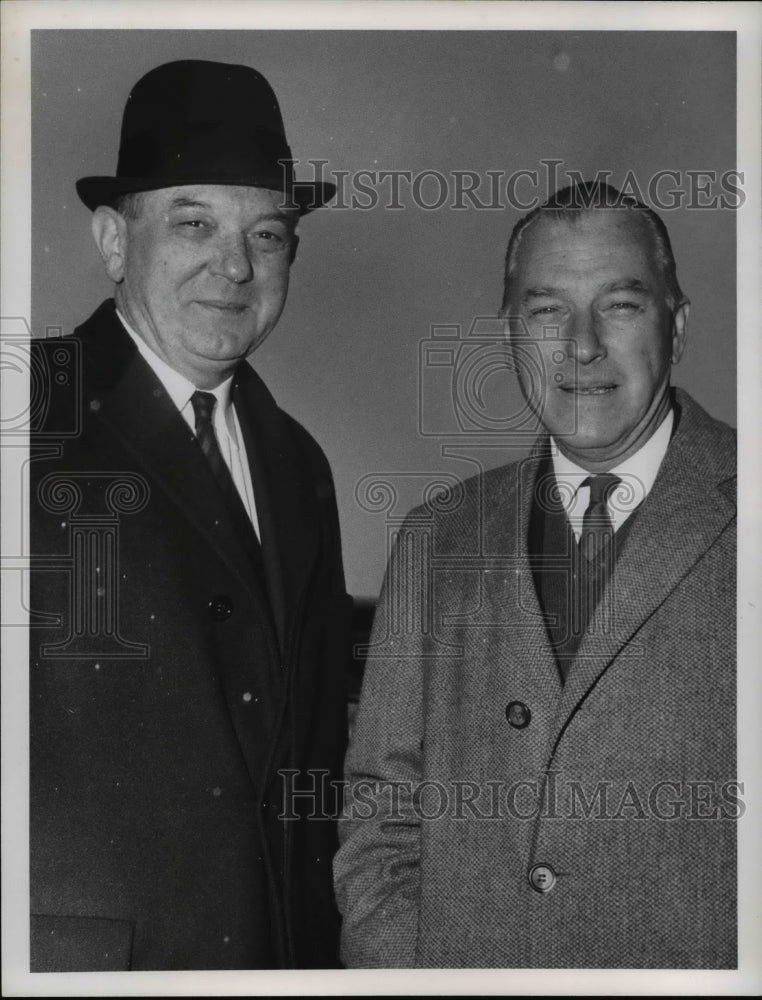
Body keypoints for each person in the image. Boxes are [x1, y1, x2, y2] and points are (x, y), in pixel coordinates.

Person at [335, 181, 737, 968]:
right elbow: (382, 817)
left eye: (620, 306)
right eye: (548, 311)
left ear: (677, 325)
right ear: (510, 332)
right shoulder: (436, 541)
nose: (581, 346)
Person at [29, 59, 352, 971]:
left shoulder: (300, 468)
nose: (237, 266)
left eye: (270, 235)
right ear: (114, 241)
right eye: (195, 224)